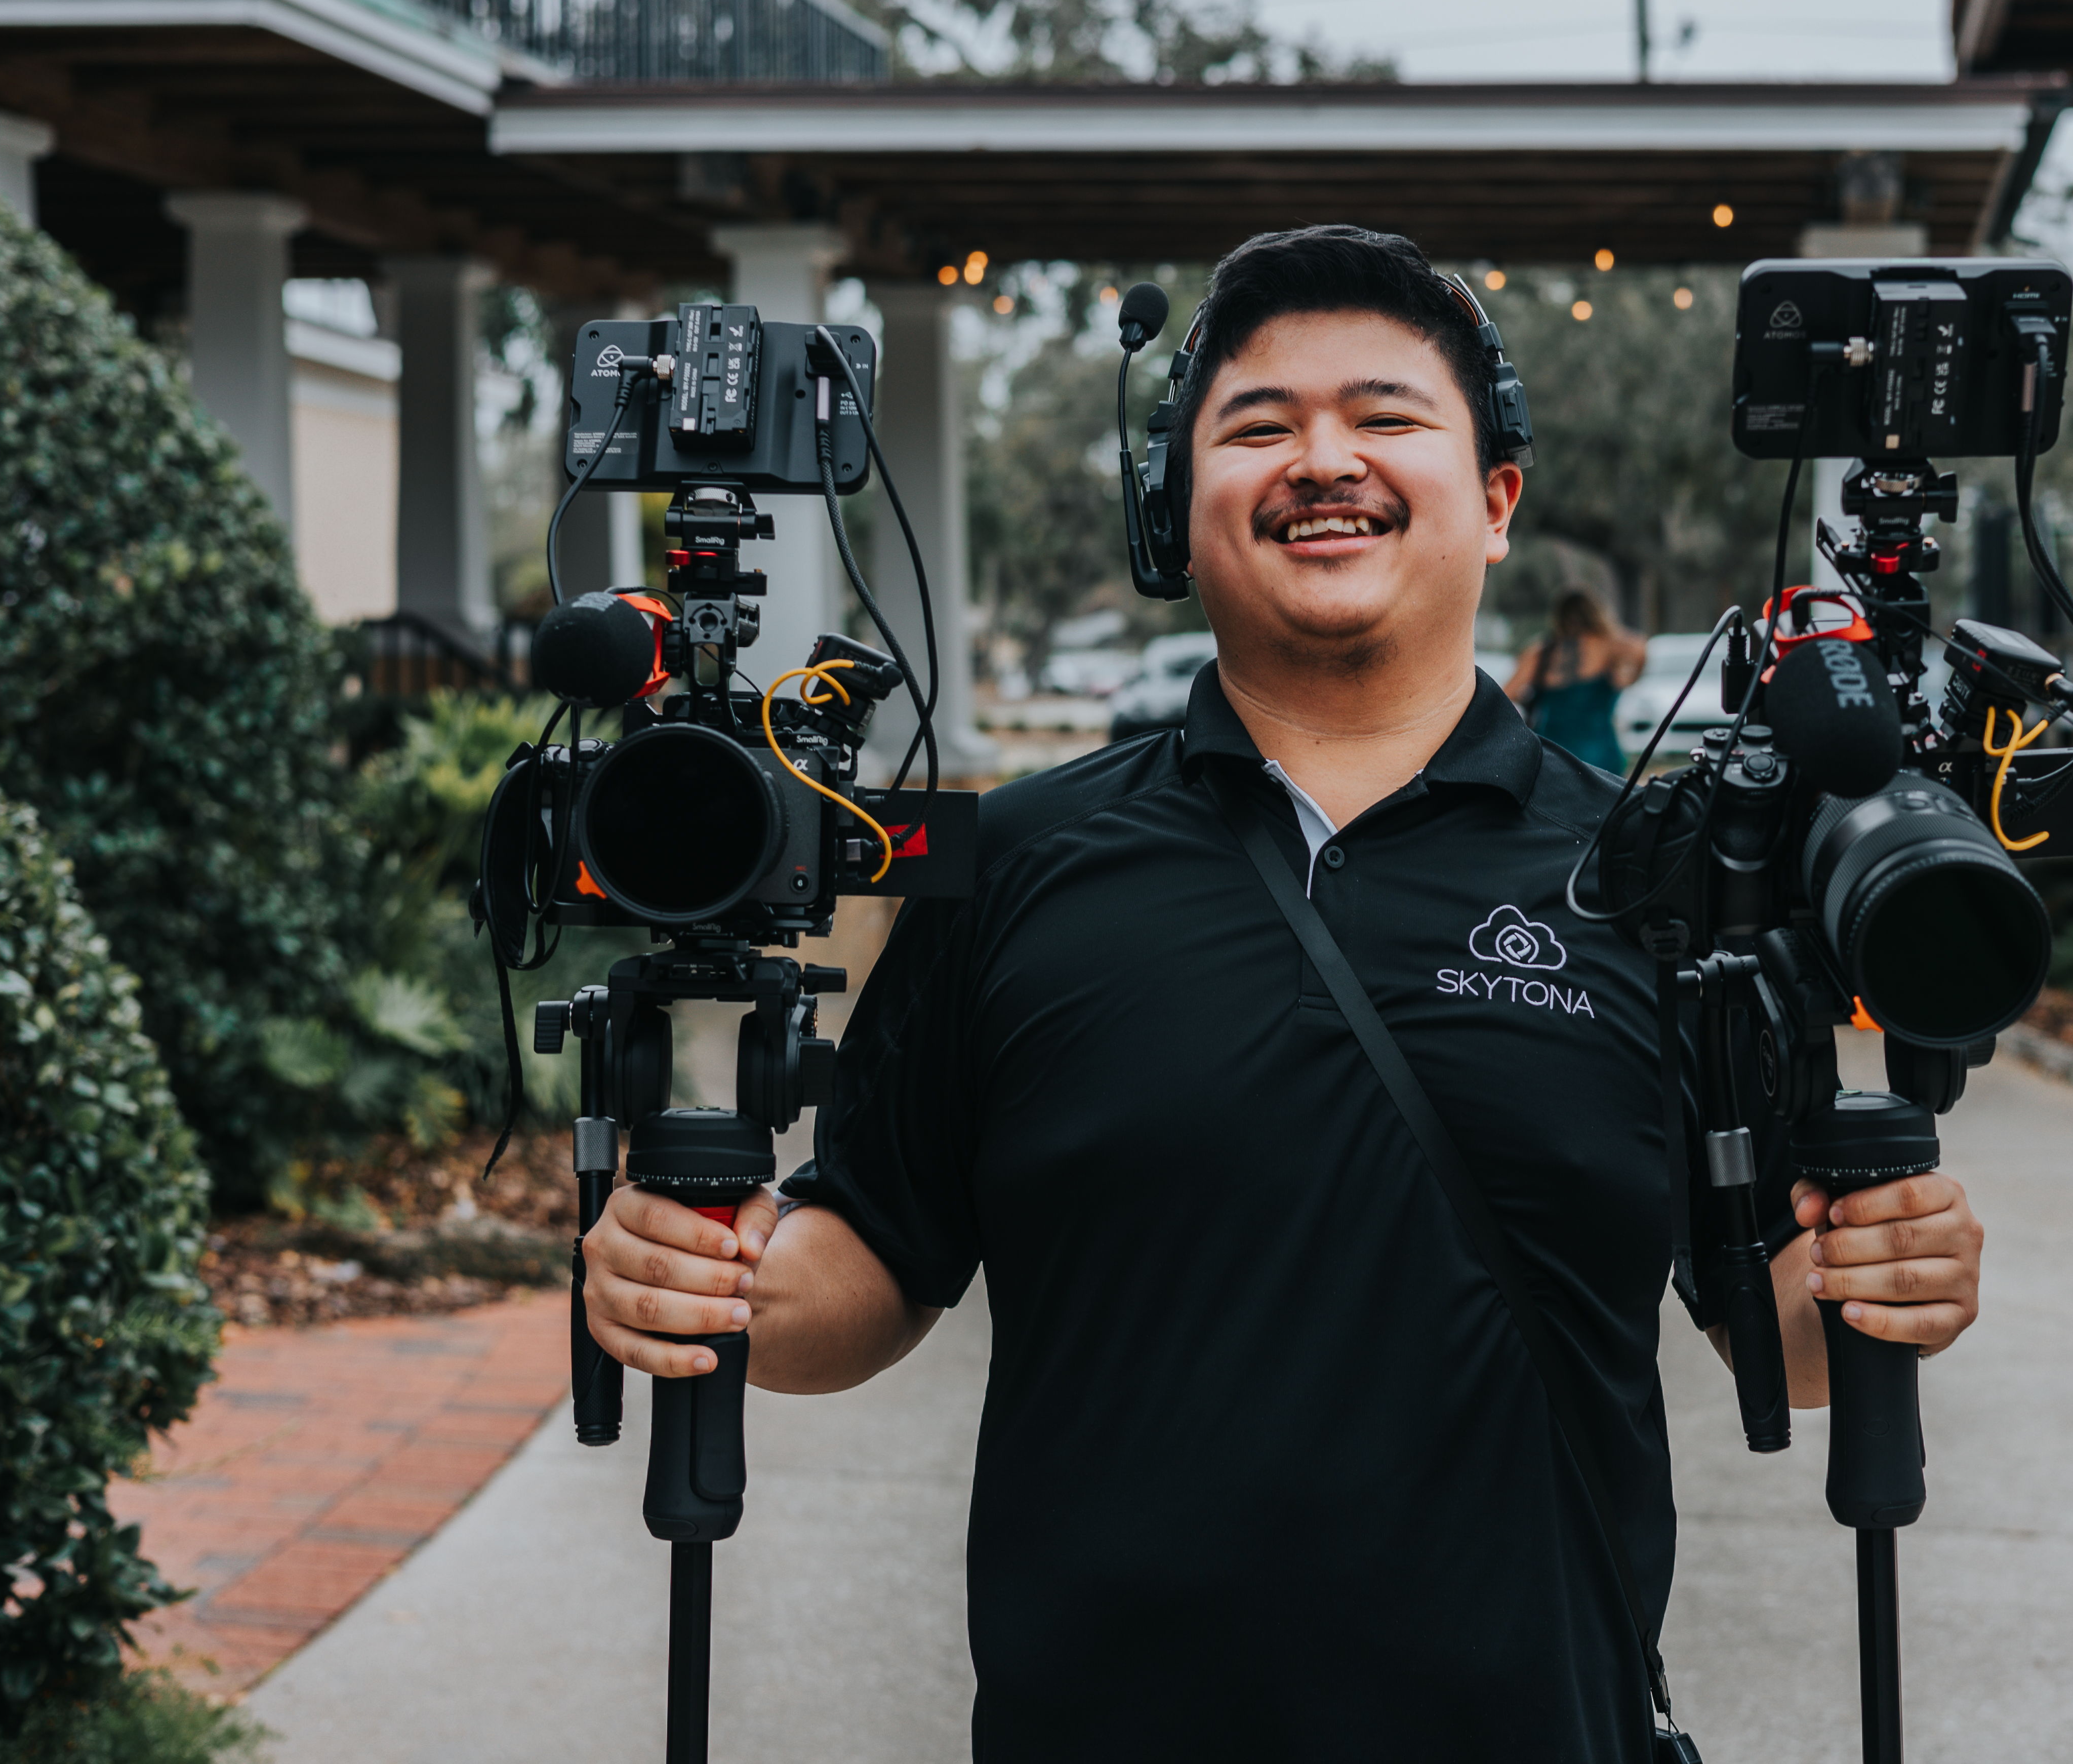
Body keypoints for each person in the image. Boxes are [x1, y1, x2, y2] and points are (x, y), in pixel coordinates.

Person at [578, 225, 1984, 1761]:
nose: (1324, 461)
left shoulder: (1660, 879)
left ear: (1495, 501)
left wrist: (1882, 1277)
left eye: (1386, 417)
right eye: (1257, 427)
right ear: (1178, 510)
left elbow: (1768, 1312)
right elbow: (877, 1253)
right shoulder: (1017, 859)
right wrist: (725, 1282)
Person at [1506, 586, 1646, 773]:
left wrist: (1531, 699)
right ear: (1596, 613)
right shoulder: (1609, 644)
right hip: (1599, 752)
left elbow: (1507, 694)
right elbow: (1641, 646)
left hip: (1551, 754)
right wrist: (1630, 679)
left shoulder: (1541, 652)